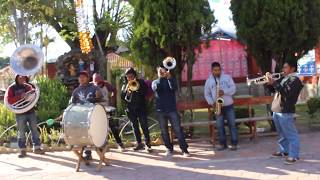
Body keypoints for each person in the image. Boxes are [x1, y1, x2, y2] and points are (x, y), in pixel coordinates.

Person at [266, 61, 303, 165]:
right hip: (277, 109)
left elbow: (286, 93)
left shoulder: (295, 80)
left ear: (292, 69)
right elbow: (275, 90)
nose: (283, 69)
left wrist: (274, 82)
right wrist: (269, 83)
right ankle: (284, 151)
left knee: (291, 134)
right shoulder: (284, 78)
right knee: (282, 134)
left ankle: (294, 156)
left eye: (285, 67)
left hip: (285, 110)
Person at [152, 65, 190, 157]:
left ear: (166, 71)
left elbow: (174, 88)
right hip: (160, 110)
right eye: (159, 71)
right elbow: (157, 89)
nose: (161, 72)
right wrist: (161, 78)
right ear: (157, 72)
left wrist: (169, 78)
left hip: (172, 109)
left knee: (178, 129)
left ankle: (184, 150)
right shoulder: (155, 82)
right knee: (164, 131)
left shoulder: (171, 80)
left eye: (163, 70)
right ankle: (169, 148)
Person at [6, 75, 45, 158]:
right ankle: (22, 150)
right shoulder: (11, 88)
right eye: (20, 77)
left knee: (34, 130)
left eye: (24, 78)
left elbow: (34, 95)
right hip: (20, 113)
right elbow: (9, 100)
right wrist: (20, 97)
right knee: (21, 132)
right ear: (16, 78)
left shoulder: (28, 86)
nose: (22, 79)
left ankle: (37, 148)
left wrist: (28, 96)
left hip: (31, 111)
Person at [204, 62, 238, 151]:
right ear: (212, 71)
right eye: (215, 70)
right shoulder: (209, 81)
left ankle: (234, 143)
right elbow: (207, 94)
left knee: (232, 125)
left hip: (228, 105)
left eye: (219, 70)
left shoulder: (227, 77)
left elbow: (233, 89)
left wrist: (224, 92)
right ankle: (223, 144)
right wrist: (212, 103)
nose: (217, 72)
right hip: (217, 106)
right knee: (219, 126)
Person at [70, 71, 102, 160]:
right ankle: (87, 153)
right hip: (81, 117)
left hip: (93, 115)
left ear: (88, 78)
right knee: (84, 135)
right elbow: (72, 104)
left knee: (95, 132)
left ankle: (100, 146)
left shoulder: (95, 88)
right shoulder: (76, 91)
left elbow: (100, 99)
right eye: (80, 77)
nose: (81, 78)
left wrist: (98, 96)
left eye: (83, 77)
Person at [121, 68, 152, 152]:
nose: (129, 78)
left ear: (134, 75)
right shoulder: (125, 84)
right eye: (127, 77)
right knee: (135, 127)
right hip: (131, 109)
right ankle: (139, 143)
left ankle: (147, 144)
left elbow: (145, 92)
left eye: (131, 76)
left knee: (144, 125)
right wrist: (126, 91)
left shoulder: (141, 82)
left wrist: (137, 88)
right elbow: (122, 97)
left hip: (141, 107)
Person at [92, 73, 125, 152]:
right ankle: (101, 146)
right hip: (97, 109)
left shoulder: (106, 84)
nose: (99, 84)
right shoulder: (91, 86)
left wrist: (113, 99)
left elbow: (114, 90)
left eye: (100, 82)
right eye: (97, 83)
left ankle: (120, 144)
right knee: (98, 128)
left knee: (112, 126)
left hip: (106, 108)